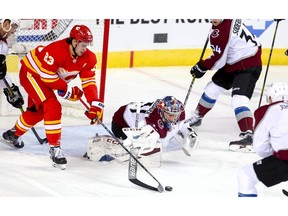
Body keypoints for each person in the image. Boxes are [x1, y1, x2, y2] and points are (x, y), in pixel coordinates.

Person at [2, 24, 104, 170]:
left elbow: (89, 83)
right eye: (83, 45)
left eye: (87, 45)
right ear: (74, 42)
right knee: (52, 105)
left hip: (46, 78)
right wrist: (67, 90)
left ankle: (12, 134)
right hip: (32, 74)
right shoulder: (56, 50)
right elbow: (47, 78)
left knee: (39, 111)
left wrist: (94, 103)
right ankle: (55, 149)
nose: (85, 48)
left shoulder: (89, 58)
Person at [188, 19, 262, 152]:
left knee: (239, 100)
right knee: (212, 89)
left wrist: (202, 67)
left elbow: (219, 62)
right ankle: (197, 117)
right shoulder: (229, 19)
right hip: (235, 62)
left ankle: (249, 135)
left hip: (248, 65)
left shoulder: (220, 32)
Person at [96, 96, 199, 161]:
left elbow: (180, 124)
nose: (174, 118)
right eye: (170, 115)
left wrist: (187, 131)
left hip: (136, 112)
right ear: (162, 113)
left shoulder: (178, 111)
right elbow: (161, 143)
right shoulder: (152, 121)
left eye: (175, 115)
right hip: (121, 122)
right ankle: (104, 147)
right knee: (144, 147)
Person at [237, 82, 288, 197]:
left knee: (246, 176)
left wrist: (277, 153)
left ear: (270, 97)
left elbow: (260, 147)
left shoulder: (266, 110)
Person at [0, 19, 24, 109]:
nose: (13, 31)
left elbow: (1, 75)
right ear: (6, 24)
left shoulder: (3, 46)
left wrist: (11, 90)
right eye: (13, 27)